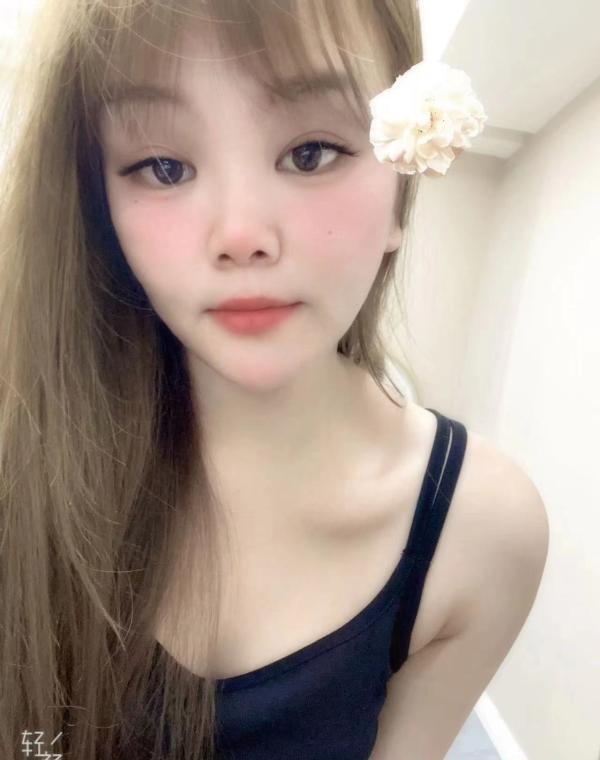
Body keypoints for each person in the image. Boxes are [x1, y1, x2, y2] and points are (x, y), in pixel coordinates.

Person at [0, 1, 549, 759]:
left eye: (311, 152)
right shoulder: (21, 453)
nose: (241, 235)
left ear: (402, 190)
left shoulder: (482, 533)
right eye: (164, 167)